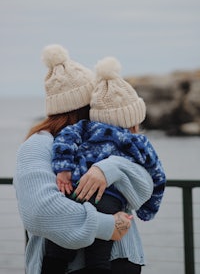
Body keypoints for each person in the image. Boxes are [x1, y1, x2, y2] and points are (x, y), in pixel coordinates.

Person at [13, 44, 154, 274]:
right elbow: (40, 213)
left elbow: (145, 188)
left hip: (124, 260)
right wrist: (109, 227)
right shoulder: (39, 145)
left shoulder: (108, 144)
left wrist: (109, 168)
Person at [44, 56, 166, 273]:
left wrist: (63, 169)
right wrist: (148, 209)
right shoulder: (137, 141)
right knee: (99, 256)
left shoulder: (85, 128)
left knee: (57, 252)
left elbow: (64, 139)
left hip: (76, 193)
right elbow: (157, 176)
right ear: (134, 120)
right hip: (109, 201)